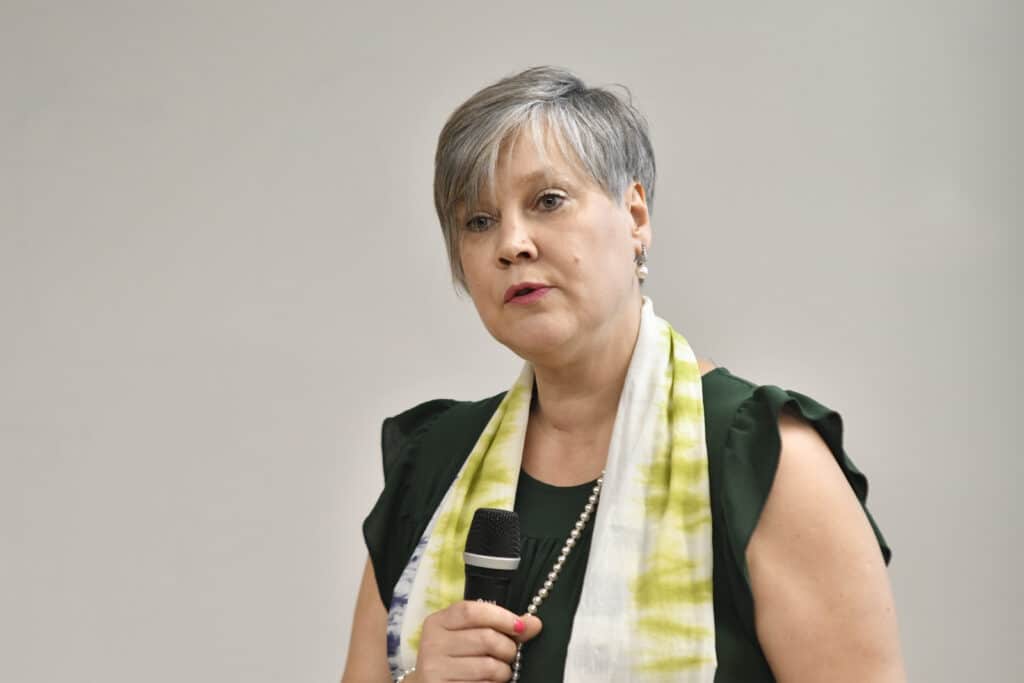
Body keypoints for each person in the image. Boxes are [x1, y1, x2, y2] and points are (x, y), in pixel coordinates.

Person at [341, 66, 905, 683]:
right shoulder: (432, 464)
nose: (512, 243)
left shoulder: (765, 462)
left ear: (635, 216)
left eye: (548, 201)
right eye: (478, 221)